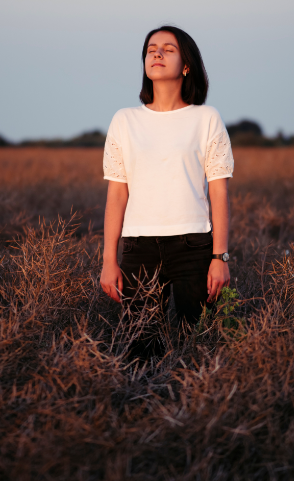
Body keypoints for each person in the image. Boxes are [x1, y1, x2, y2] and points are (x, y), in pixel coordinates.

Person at [100, 25, 234, 358]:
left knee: (198, 346)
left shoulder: (206, 118)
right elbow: (117, 196)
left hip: (194, 246)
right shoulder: (124, 120)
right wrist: (108, 260)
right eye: (151, 49)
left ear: (186, 65)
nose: (157, 54)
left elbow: (219, 194)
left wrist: (220, 257)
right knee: (142, 350)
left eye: (168, 49)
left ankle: (198, 409)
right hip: (139, 249)